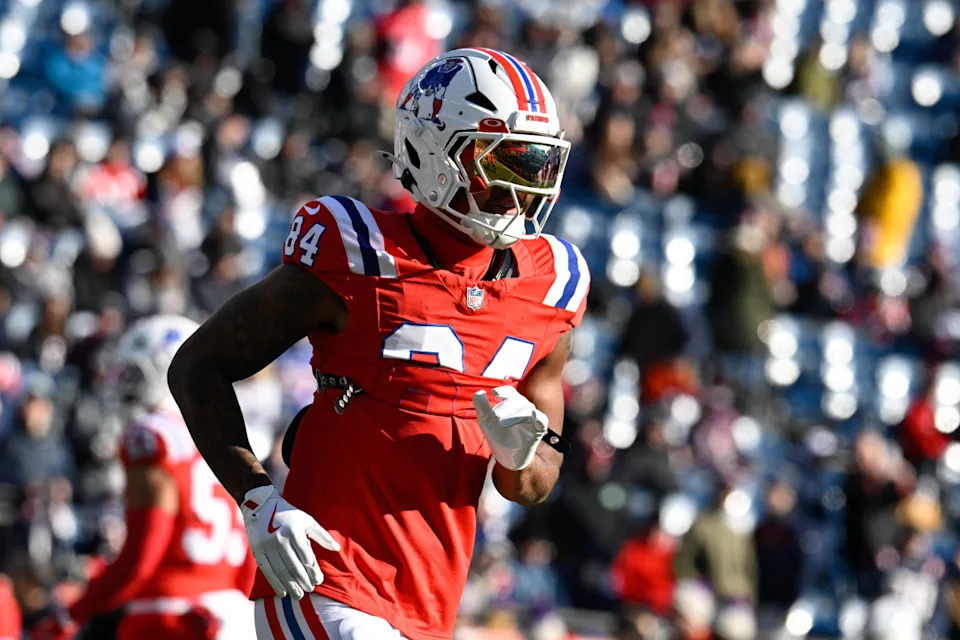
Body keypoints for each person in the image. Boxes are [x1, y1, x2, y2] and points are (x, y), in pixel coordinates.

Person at [167, 48, 588, 640]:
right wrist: (257, 500)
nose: (519, 193)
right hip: (326, 576)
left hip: (429, 604)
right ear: (436, 154)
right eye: (503, 165)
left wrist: (520, 454)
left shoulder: (553, 284)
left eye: (535, 168)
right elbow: (197, 366)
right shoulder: (356, 252)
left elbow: (536, 483)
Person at [32, 315, 256, 640]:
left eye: (136, 374)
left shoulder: (152, 437)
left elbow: (141, 557)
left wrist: (70, 614)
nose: (126, 385)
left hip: (170, 620)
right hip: (231, 618)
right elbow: (250, 555)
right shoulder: (223, 437)